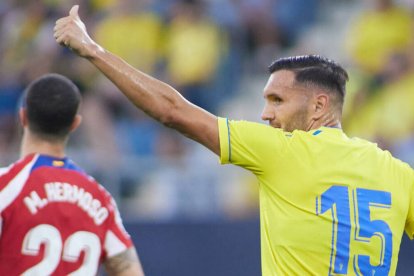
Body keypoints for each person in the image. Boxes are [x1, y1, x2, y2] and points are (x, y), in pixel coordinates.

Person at [54, 5, 414, 275]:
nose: (265, 114)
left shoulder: (284, 152)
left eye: (277, 100)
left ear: (319, 105)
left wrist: (92, 51)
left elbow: (171, 111)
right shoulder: (395, 171)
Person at [0, 73, 145, 275]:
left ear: (23, 117)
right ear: (75, 124)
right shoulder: (100, 199)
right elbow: (131, 271)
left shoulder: (6, 185)